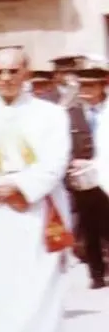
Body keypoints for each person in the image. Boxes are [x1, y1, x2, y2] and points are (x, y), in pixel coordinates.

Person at [0, 47, 72, 332]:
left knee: (38, 287)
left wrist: (22, 188)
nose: (5, 78)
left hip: (36, 211)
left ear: (26, 72)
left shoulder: (51, 114)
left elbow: (55, 162)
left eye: (13, 71)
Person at [66, 67, 109, 288]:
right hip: (83, 181)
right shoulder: (71, 113)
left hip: (107, 177)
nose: (86, 91)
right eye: (82, 86)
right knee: (89, 228)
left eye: (91, 86)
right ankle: (97, 274)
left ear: (103, 86)